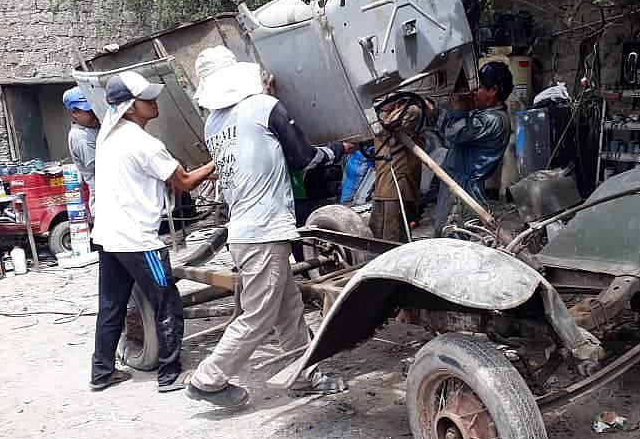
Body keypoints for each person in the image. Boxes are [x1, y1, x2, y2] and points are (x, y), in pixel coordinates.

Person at [186, 45, 353, 407]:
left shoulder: (213, 122)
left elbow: (257, 146)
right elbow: (303, 158)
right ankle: (208, 378)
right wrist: (340, 148)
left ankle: (305, 372)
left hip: (246, 232)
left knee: (289, 309)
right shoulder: (263, 107)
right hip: (264, 231)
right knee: (259, 314)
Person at [90, 72, 216, 392]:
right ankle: (169, 375)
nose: (154, 101)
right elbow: (184, 182)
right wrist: (217, 163)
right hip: (138, 240)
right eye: (147, 98)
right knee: (167, 302)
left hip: (109, 235)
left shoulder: (109, 138)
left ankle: (101, 372)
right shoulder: (144, 142)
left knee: (111, 306)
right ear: (131, 108)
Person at [434, 62, 513, 235]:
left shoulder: (492, 120)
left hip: (464, 193)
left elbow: (454, 132)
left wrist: (459, 109)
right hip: (457, 186)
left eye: (480, 88)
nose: (475, 93)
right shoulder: (485, 115)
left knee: (456, 243)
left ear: (493, 91)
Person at [369, 97, 431, 242]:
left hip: (398, 189)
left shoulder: (412, 112)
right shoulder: (384, 115)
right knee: (377, 236)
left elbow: (391, 129)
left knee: (393, 239)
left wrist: (384, 109)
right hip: (383, 188)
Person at [62, 85, 100, 212]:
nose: (94, 113)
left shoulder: (93, 128)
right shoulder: (80, 137)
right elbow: (98, 166)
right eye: (89, 111)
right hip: (105, 198)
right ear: (74, 113)